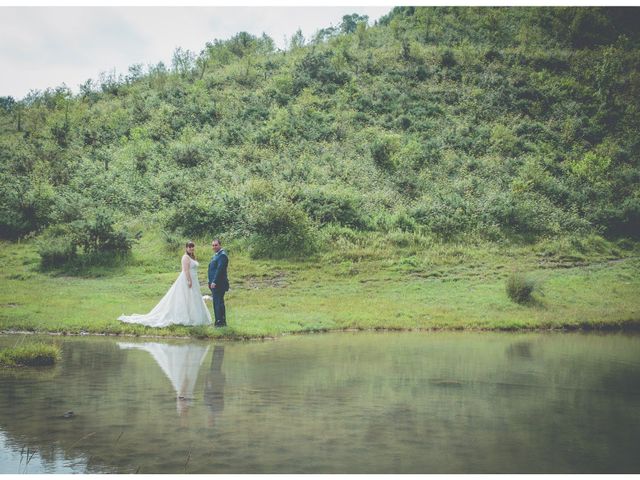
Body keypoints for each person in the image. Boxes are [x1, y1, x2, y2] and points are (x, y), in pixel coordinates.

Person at [118, 241, 212, 327]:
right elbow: (185, 270)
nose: (191, 248)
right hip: (188, 279)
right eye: (189, 247)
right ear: (186, 248)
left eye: (192, 247)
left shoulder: (192, 257)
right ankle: (187, 317)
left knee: (194, 297)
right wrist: (189, 280)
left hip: (194, 280)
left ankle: (195, 317)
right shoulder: (185, 257)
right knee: (187, 297)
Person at [208, 238, 229, 327]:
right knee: (218, 302)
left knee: (218, 303)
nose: (214, 247)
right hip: (214, 283)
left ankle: (219, 323)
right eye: (213, 245)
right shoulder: (216, 255)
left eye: (216, 245)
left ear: (220, 245)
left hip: (219, 284)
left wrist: (214, 281)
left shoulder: (222, 255)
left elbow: (220, 270)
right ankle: (220, 322)